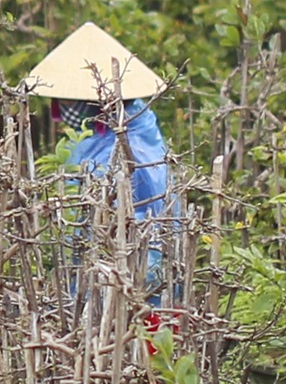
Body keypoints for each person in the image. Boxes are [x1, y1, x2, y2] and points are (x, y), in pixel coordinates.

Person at [25, 22, 174, 300]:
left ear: (97, 104)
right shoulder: (98, 136)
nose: (64, 110)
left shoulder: (128, 142)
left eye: (70, 101)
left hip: (132, 263)